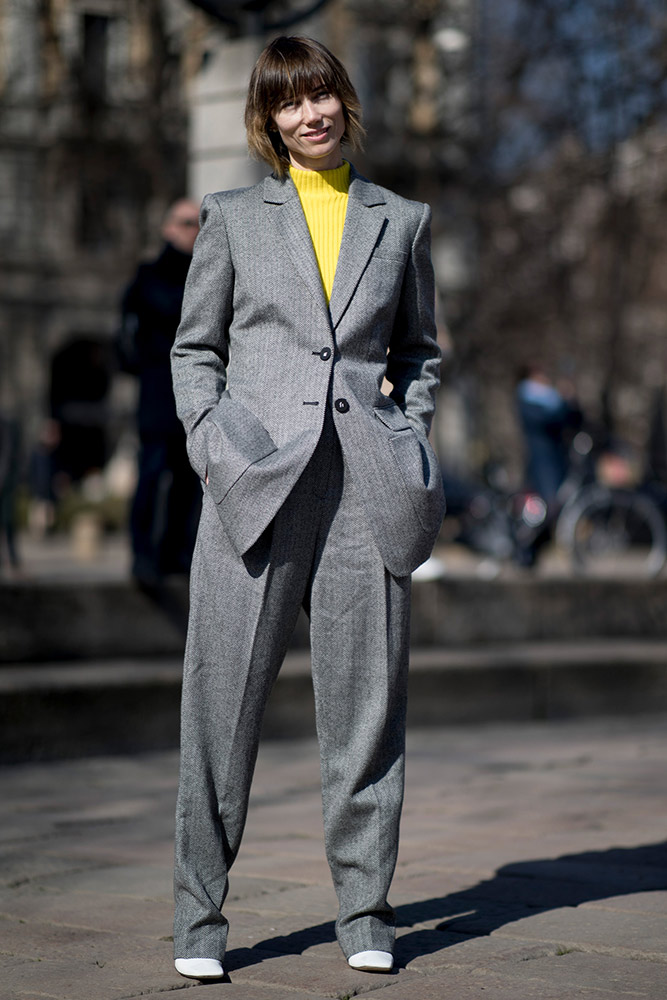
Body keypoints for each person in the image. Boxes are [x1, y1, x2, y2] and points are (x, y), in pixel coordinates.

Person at [170, 36, 445, 982]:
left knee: (366, 715)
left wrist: (406, 439)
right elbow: (192, 350)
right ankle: (199, 922)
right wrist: (212, 444)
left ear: (344, 100)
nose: (309, 113)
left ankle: (365, 911)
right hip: (250, 485)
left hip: (364, 493)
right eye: (289, 102)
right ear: (268, 119)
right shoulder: (235, 218)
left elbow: (417, 355)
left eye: (321, 93)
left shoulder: (400, 221)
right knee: (218, 710)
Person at [118, 199, 202, 585]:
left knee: (189, 479)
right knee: (151, 473)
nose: (194, 230)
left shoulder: (207, 270)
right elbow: (130, 328)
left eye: (199, 223)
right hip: (157, 392)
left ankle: (176, 554)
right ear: (169, 228)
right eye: (186, 222)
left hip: (196, 392)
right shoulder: (151, 274)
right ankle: (143, 556)